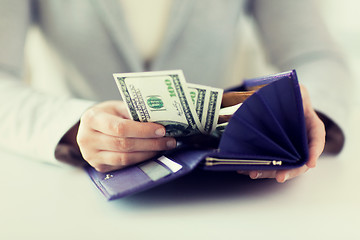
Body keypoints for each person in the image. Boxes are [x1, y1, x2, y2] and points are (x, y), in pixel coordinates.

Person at [0, 0, 352, 183]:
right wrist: (73, 126)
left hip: (224, 188)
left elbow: (316, 55)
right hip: (74, 188)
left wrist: (298, 113)